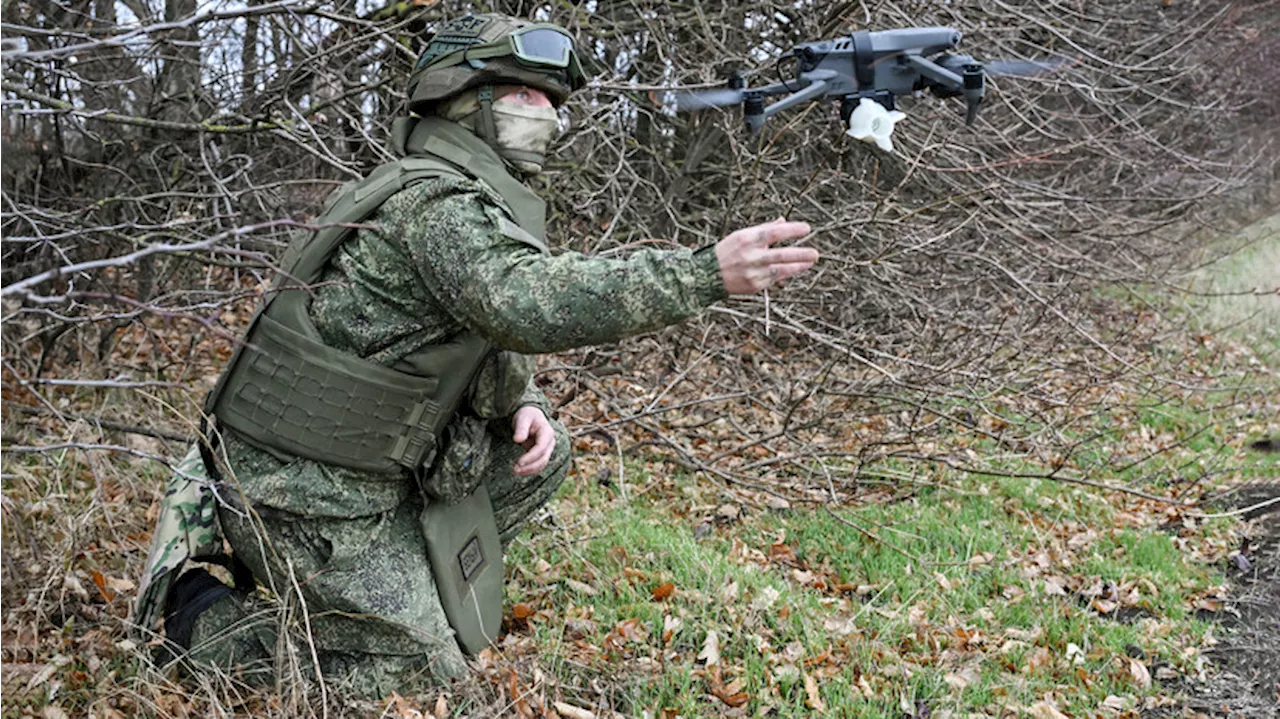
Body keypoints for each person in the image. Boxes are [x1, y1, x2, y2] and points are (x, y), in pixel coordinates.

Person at [133, 13, 818, 697]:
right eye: (525, 97)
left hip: (357, 464)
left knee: (540, 457)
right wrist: (704, 272)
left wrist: (525, 399)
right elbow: (521, 302)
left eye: (552, 102)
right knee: (412, 680)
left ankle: (396, 593)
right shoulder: (436, 201)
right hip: (301, 483)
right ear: (465, 103)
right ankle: (193, 620)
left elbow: (466, 332)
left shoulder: (462, 197)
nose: (547, 116)